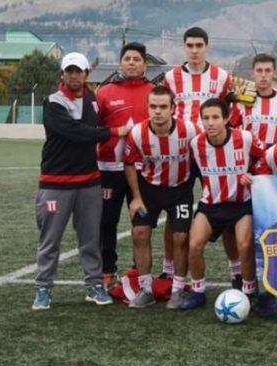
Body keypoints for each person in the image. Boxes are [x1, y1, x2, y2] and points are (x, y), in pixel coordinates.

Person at [32, 52, 130, 310]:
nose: (74, 76)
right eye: (69, 71)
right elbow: (76, 132)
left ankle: (94, 285)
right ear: (62, 74)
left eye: (79, 71)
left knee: (90, 238)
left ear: (87, 74)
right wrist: (112, 132)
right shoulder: (52, 102)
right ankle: (43, 288)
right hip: (55, 183)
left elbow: (97, 125)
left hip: (89, 181)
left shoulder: (92, 99)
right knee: (50, 239)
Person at [163, 26, 241, 286]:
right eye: (190, 45)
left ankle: (236, 271)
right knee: (175, 211)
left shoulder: (222, 76)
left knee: (227, 208)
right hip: (182, 152)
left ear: (207, 46)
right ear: (184, 47)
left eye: (199, 45)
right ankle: (170, 268)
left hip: (213, 151)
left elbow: (231, 109)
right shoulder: (171, 77)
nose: (194, 50)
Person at [122, 86, 202, 309]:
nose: (158, 111)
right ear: (147, 108)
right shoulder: (138, 132)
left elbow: (204, 156)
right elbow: (129, 164)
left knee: (180, 237)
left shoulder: (190, 130)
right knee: (139, 232)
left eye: (163, 107)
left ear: (173, 108)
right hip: (149, 190)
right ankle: (145, 289)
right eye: (153, 106)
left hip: (180, 190)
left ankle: (177, 289)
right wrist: (136, 197)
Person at [182, 98, 264, 310]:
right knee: (194, 244)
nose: (210, 122)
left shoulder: (244, 138)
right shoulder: (196, 144)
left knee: (245, 246)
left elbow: (264, 158)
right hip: (211, 204)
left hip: (241, 204)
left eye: (215, 117)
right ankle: (198, 291)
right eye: (206, 118)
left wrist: (253, 174)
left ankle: (248, 291)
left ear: (226, 119)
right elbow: (195, 171)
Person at [95, 42, 154, 288]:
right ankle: (106, 270)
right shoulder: (104, 92)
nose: (131, 62)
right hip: (108, 169)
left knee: (140, 223)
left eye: (137, 59)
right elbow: (92, 128)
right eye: (127, 58)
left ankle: (137, 271)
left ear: (145, 64)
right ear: (120, 62)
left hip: (141, 170)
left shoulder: (155, 91)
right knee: (106, 221)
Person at [229, 53, 277, 147]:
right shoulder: (241, 98)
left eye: (268, 70)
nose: (263, 75)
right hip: (250, 157)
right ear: (252, 73)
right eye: (259, 71)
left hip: (275, 157)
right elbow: (230, 128)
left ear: (274, 73)